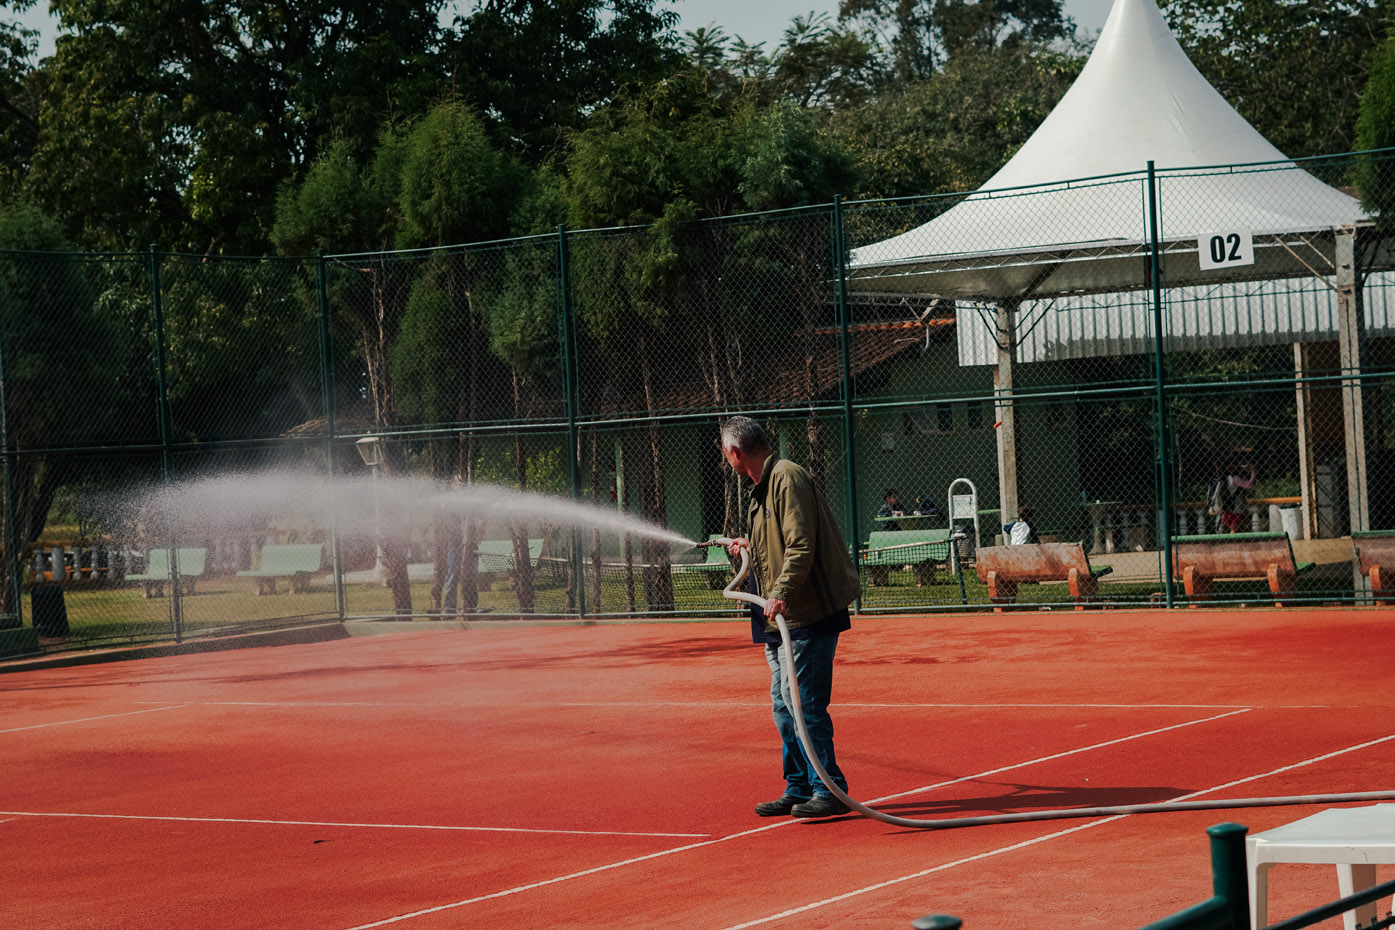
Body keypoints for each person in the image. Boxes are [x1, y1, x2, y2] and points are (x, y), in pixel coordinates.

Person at [720, 416, 861, 819]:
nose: (726, 459)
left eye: (725, 453)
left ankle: (828, 788)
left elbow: (801, 544)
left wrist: (781, 592)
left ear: (735, 451)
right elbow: (779, 542)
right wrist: (751, 544)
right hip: (778, 621)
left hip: (805, 615)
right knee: (784, 706)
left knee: (805, 705)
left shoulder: (786, 477)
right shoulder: (762, 488)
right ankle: (799, 784)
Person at [1216, 454, 1257, 533]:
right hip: (1236, 509)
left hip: (1226, 509)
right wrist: (1253, 472)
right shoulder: (1235, 478)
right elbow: (1250, 485)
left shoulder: (1223, 478)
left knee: (1234, 531)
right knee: (1234, 531)